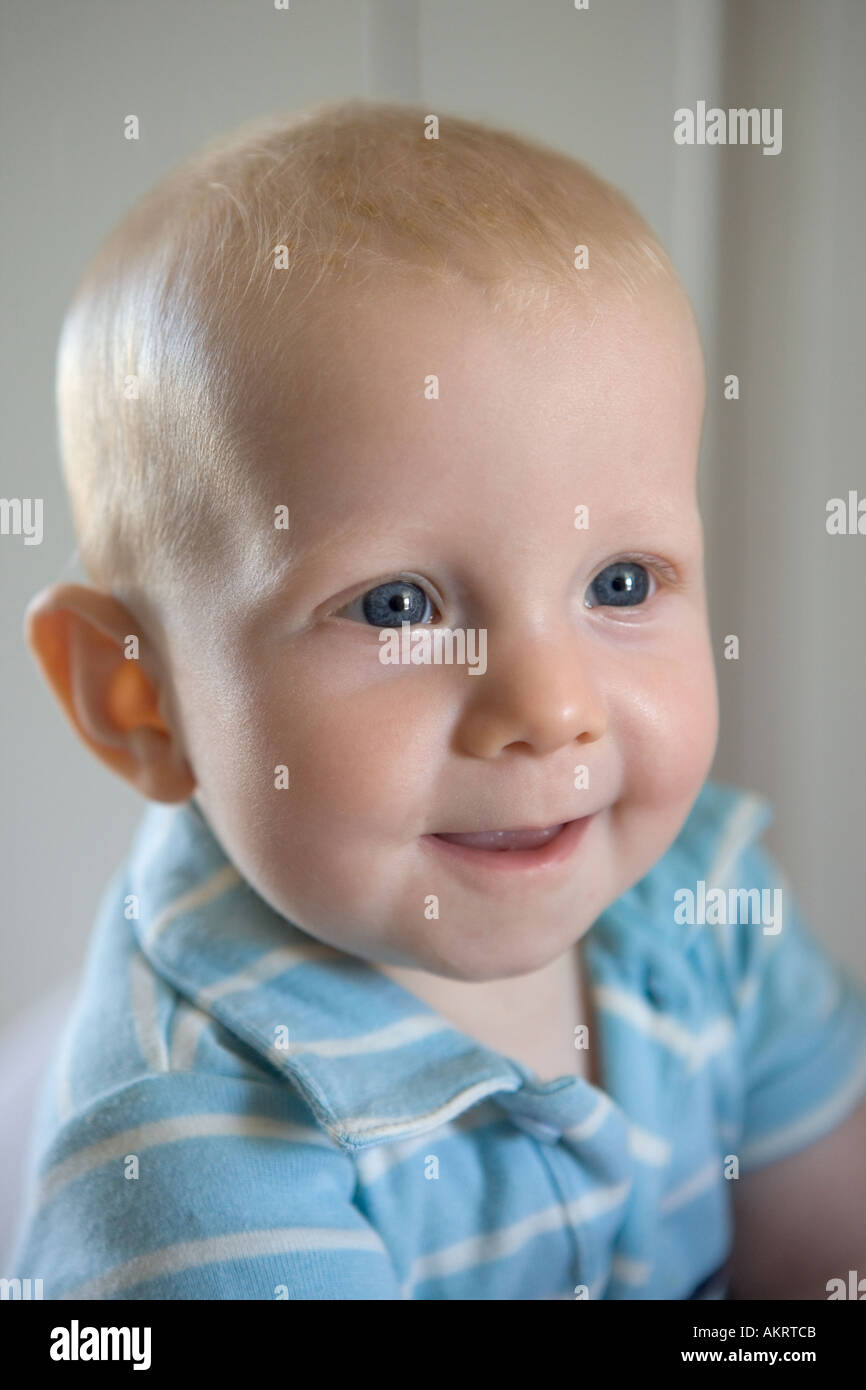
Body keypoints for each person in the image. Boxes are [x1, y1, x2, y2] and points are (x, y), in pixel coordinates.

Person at [9, 100, 866, 1299]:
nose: (547, 706)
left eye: (618, 583)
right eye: (398, 607)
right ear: (136, 698)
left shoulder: (708, 910)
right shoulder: (192, 1175)